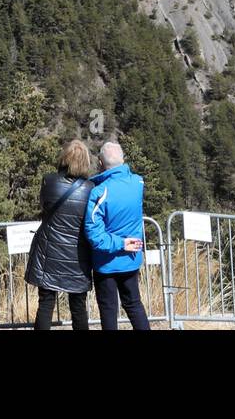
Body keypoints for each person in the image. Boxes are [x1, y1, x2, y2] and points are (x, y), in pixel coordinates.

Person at [25, 139, 95, 330]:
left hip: (49, 251)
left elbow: (44, 207)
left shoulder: (49, 181)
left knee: (46, 304)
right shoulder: (90, 189)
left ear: (65, 157)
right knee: (79, 307)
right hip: (77, 255)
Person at [83, 141, 150, 330]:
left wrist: (120, 243)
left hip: (106, 263)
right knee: (134, 304)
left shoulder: (99, 192)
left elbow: (94, 232)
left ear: (101, 164)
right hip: (131, 258)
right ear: (123, 160)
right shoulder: (138, 183)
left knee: (108, 310)